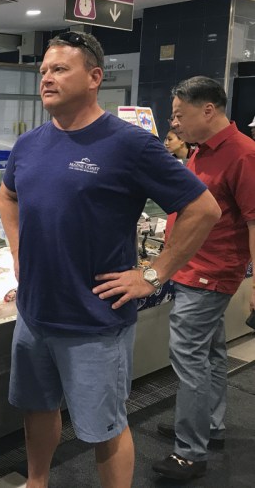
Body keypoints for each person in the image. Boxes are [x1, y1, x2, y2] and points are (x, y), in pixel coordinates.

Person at [0, 32, 220, 488]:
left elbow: (203, 210)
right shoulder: (29, 144)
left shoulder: (130, 144)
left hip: (95, 319)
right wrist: (20, 254)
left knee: (106, 427)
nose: (47, 78)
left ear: (95, 77)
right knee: (37, 408)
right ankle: (37, 481)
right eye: (43, 71)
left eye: (60, 69)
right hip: (34, 314)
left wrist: (152, 274)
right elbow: (8, 195)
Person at [152, 76, 255, 481]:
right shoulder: (201, 152)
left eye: (180, 114)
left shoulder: (242, 154)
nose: (174, 123)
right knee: (210, 353)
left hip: (211, 273)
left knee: (188, 358)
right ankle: (208, 426)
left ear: (207, 109)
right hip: (192, 268)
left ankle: (189, 451)